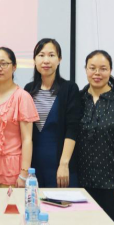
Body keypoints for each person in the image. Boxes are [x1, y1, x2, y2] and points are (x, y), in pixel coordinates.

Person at [77, 50, 114, 224]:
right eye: (92, 68)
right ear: (85, 69)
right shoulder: (78, 99)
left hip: (111, 182)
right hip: (81, 180)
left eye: (103, 68)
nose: (97, 73)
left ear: (110, 70)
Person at [0, 47, 39, 187]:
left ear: (14, 67)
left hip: (12, 170)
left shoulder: (22, 97)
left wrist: (24, 174)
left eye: (3, 64)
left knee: (9, 202)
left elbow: (27, 139)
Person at [24, 38, 81, 187]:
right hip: (34, 166)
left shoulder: (69, 88)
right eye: (41, 55)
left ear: (59, 59)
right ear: (35, 60)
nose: (46, 60)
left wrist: (64, 164)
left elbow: (72, 129)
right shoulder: (28, 90)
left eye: (51, 55)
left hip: (60, 166)